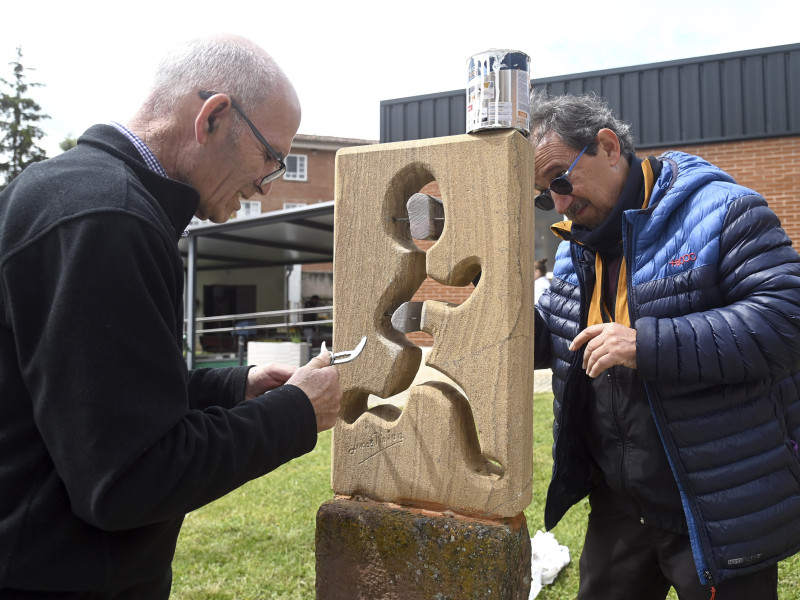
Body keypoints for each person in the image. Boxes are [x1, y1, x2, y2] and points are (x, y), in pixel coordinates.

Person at [0, 35, 342, 598]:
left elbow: (94, 397)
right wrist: (297, 413)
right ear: (213, 118)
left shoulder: (68, 192)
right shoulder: (110, 218)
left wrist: (235, 387)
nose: (266, 182)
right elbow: (131, 477)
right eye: (271, 158)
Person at [530, 91, 800, 599]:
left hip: (713, 502)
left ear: (608, 147)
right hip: (619, 503)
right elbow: (557, 336)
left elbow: (786, 320)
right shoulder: (575, 248)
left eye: (562, 180)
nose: (560, 203)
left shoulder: (722, 210)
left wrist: (646, 344)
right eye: (546, 195)